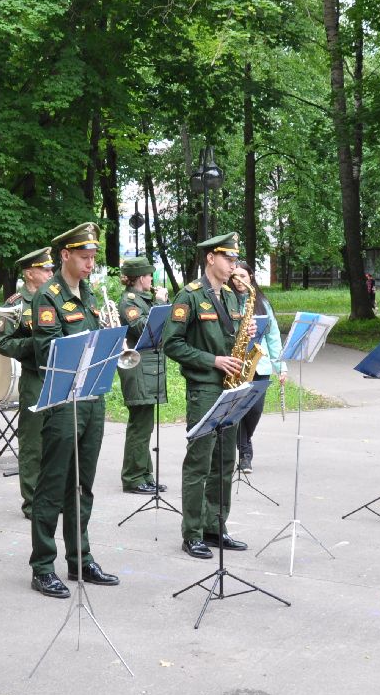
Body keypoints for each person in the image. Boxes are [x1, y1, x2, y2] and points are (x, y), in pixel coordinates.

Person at [26, 222, 121, 598]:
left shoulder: (92, 295)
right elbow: (47, 351)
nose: (90, 264)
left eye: (93, 257)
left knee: (82, 486)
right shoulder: (47, 298)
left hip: (92, 399)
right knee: (52, 485)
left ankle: (80, 557)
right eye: (84, 257)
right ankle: (42, 565)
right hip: (64, 401)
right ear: (64, 255)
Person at [161, 232, 251, 560]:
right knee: (199, 461)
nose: (233, 265)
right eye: (228, 258)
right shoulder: (189, 295)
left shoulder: (230, 296)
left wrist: (246, 334)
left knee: (225, 460)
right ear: (211, 258)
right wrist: (212, 360)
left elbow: (230, 338)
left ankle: (216, 526)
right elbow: (172, 343)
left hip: (230, 386)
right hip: (204, 388)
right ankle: (193, 533)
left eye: (235, 259)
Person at [0, 247, 55, 519]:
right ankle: (32, 501)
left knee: (58, 439)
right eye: (45, 269)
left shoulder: (54, 297)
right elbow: (4, 344)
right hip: (35, 377)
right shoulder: (16, 304)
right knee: (33, 441)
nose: (50, 273)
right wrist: (37, 343)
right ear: (30, 273)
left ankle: (55, 496)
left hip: (59, 373)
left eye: (51, 269)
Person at [115, 256, 168, 495]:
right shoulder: (129, 301)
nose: (152, 279)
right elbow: (142, 329)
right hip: (137, 369)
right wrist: (158, 304)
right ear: (139, 278)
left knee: (145, 426)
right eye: (149, 275)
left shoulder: (143, 299)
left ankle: (145, 473)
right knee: (139, 426)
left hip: (150, 368)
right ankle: (133, 477)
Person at [230, 263, 283, 474]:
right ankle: (245, 453)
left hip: (259, 364)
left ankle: (245, 441)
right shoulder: (229, 300)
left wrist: (281, 366)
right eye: (234, 276)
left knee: (255, 409)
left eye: (242, 275)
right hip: (236, 364)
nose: (238, 280)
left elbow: (273, 336)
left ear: (250, 276)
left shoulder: (261, 302)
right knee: (238, 409)